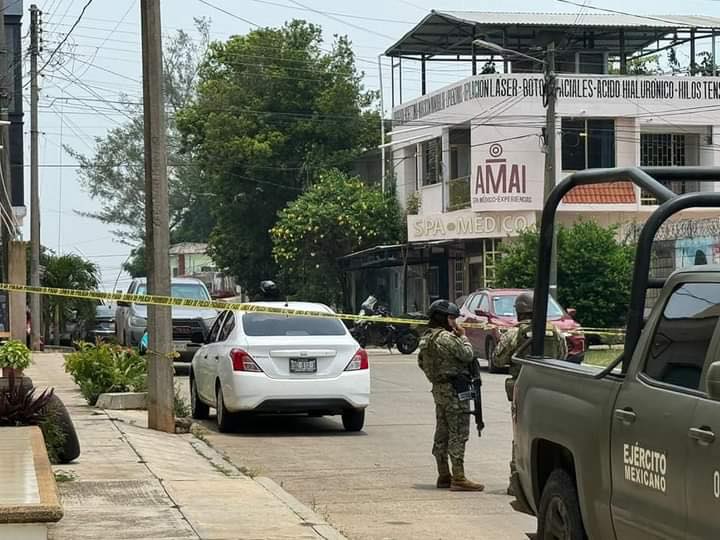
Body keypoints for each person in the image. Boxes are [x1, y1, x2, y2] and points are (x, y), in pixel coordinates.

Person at [495, 291, 567, 495]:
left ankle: (517, 481)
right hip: (550, 390)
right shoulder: (554, 331)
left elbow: (498, 358)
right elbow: (563, 354)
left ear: (519, 312)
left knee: (520, 434)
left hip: (524, 389)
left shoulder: (514, 333)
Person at [417, 299, 484, 492]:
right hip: (454, 390)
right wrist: (463, 337)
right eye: (452, 318)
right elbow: (467, 354)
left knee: (442, 433)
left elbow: (422, 363)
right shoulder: (445, 338)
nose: (455, 322)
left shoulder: (427, 338)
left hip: (439, 389)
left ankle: (444, 475)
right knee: (458, 433)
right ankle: (459, 477)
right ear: (443, 318)